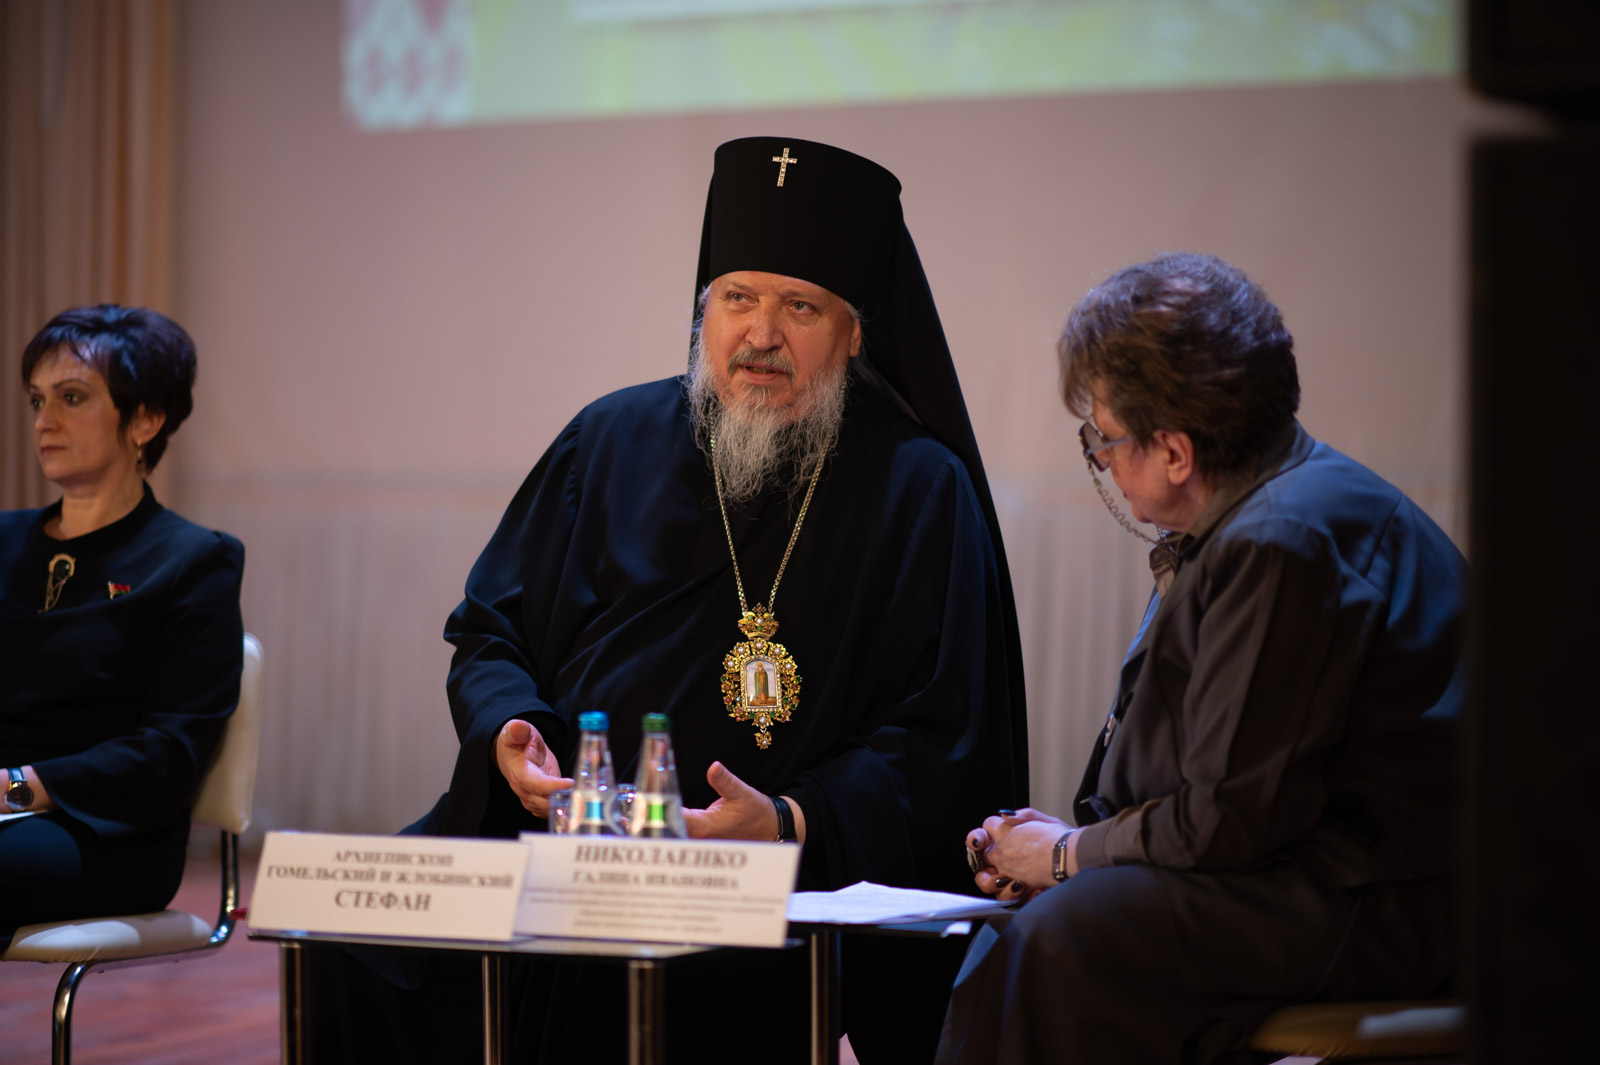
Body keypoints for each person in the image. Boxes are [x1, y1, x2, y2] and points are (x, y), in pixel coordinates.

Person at [307, 137, 1028, 1064]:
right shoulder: (609, 439)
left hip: (772, 882)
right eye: (738, 299)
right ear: (704, 310)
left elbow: (944, 733)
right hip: (568, 836)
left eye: (800, 307)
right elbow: (490, 629)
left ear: (856, 332)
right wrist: (513, 731)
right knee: (346, 945)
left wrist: (791, 817)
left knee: (622, 963)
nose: (761, 334)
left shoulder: (919, 487)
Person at [937, 253, 1464, 1065]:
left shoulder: (1281, 538)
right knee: (1027, 925)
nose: (1100, 458)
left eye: (1104, 438)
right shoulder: (1254, 507)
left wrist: (1069, 855)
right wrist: (1071, 847)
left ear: (1175, 452)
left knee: (1067, 938)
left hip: (1389, 896)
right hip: (1310, 864)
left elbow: (1226, 819)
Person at [0, 305, 245, 952]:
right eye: (37, 400)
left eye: (71, 397)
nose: (43, 421)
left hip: (108, 832)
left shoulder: (195, 560)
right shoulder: (3, 540)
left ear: (145, 420)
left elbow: (171, 751)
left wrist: (16, 787)